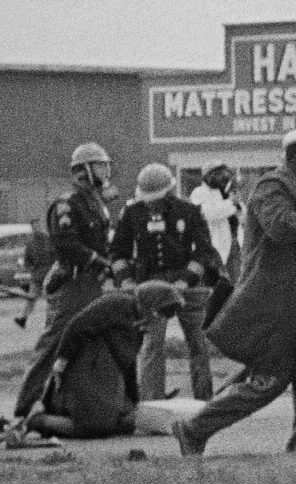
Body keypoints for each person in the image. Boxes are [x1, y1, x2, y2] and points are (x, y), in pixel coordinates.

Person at [171, 128, 296, 456]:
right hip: (274, 306)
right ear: (292, 156)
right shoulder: (271, 187)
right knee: (268, 383)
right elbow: (283, 228)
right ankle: (194, 428)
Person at [13, 142, 117, 422]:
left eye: (105, 164)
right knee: (54, 344)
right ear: (83, 170)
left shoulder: (97, 202)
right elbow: (66, 244)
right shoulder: (66, 204)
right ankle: (24, 408)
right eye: (99, 165)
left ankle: (106, 403)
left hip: (96, 284)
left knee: (100, 343)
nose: (106, 170)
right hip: (73, 284)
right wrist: (97, 261)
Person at [110, 163, 220, 402]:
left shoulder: (189, 211)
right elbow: (117, 252)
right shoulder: (132, 213)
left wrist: (185, 280)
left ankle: (204, 400)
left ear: (169, 193)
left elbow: (204, 252)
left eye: (157, 199)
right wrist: (127, 282)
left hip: (186, 283)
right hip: (150, 285)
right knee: (152, 345)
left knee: (198, 343)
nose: (151, 204)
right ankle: (152, 400)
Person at [24, 281, 184, 439]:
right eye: (159, 313)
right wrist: (61, 361)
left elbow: (128, 363)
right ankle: (39, 421)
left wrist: (134, 401)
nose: (159, 320)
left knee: (128, 422)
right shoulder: (117, 303)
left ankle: (67, 423)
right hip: (86, 369)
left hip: (106, 375)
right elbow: (76, 326)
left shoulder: (138, 321)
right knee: (94, 428)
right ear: (149, 303)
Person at [189, 161, 242, 282]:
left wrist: (238, 205)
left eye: (224, 174)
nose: (223, 177)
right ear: (208, 176)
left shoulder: (227, 192)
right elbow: (207, 214)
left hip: (233, 242)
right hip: (213, 244)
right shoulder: (199, 193)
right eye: (218, 174)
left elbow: (242, 215)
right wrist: (231, 203)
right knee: (217, 280)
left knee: (236, 281)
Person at [13, 218, 54, 329]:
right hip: (37, 276)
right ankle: (23, 319)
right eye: (34, 226)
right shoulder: (31, 244)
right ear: (32, 228)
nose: (37, 228)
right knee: (31, 298)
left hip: (49, 275)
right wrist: (31, 269)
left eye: (38, 225)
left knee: (51, 299)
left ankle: (49, 322)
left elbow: (55, 256)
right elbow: (27, 261)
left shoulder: (49, 240)